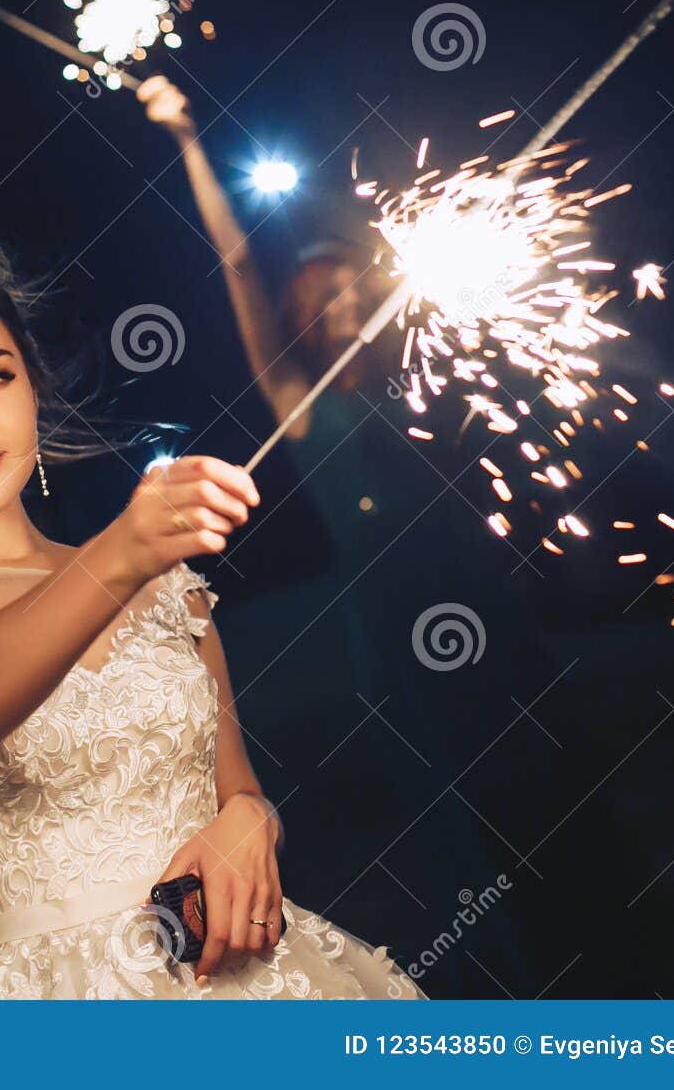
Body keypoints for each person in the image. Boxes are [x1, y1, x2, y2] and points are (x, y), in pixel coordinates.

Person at [0, 238, 424, 999]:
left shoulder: (172, 587)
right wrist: (118, 554)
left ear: (30, 388)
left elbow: (238, 786)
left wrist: (252, 820)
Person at [138, 75, 539, 995]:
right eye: (326, 292)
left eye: (355, 286)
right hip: (393, 608)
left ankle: (570, 916)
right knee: (451, 789)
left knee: (526, 757)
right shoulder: (297, 398)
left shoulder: (412, 383)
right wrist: (189, 137)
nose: (346, 302)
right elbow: (237, 259)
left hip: (471, 582)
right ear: (301, 312)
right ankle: (502, 961)